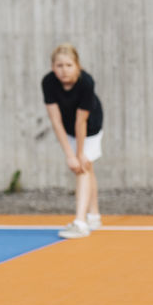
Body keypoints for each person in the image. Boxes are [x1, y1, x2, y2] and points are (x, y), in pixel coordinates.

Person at [41, 44, 104, 239]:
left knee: (82, 166)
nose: (64, 70)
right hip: (67, 125)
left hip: (90, 125)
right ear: (53, 67)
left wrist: (79, 153)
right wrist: (70, 155)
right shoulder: (49, 82)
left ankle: (80, 222)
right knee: (86, 166)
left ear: (77, 66)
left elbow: (81, 120)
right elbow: (55, 120)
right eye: (59, 65)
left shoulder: (86, 82)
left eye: (69, 65)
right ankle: (94, 216)